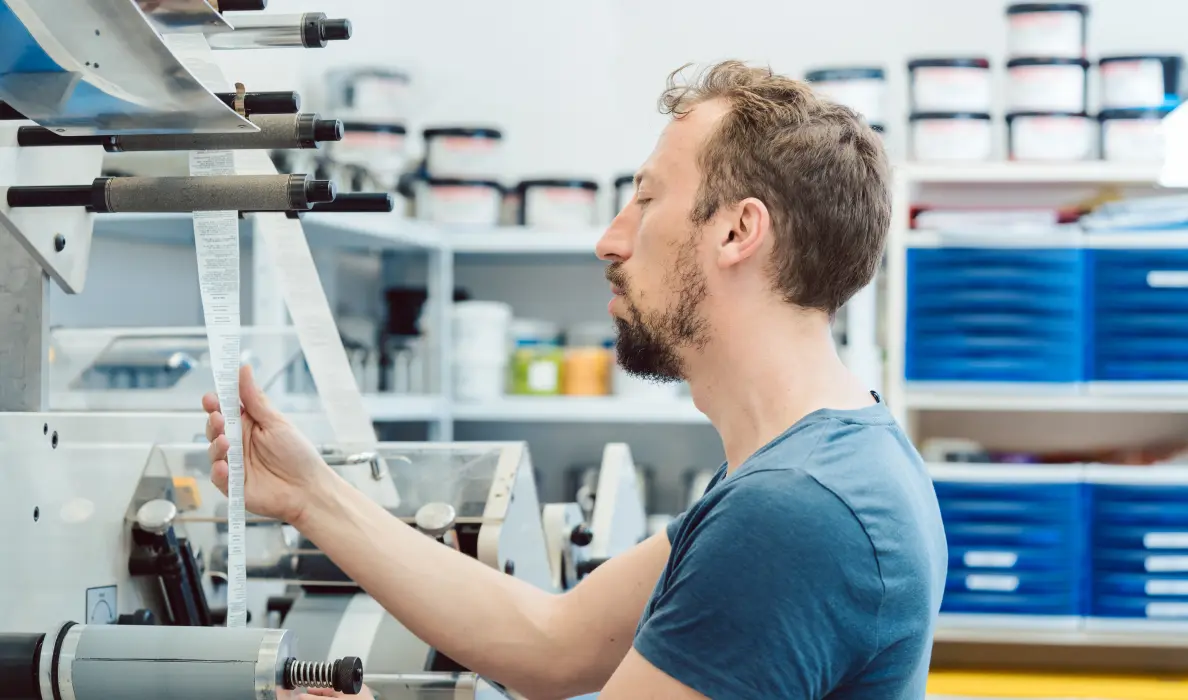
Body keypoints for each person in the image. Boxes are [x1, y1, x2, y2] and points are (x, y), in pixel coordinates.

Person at [204, 60, 947, 699]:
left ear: (736, 232)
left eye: (647, 199)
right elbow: (551, 642)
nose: (610, 238)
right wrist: (312, 495)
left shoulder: (795, 513)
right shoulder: (821, 463)